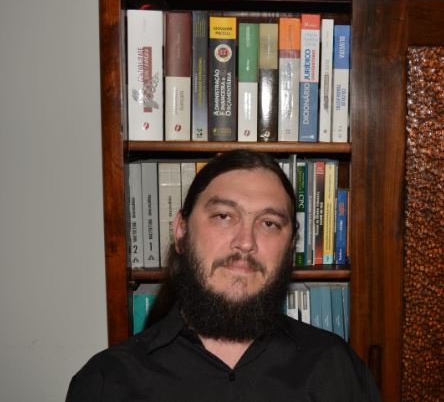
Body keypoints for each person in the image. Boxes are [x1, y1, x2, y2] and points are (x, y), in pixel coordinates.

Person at [66, 149, 381, 402]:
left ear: (290, 246)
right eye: (223, 216)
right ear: (181, 231)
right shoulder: (108, 381)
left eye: (269, 223)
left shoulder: (336, 369)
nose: (246, 241)